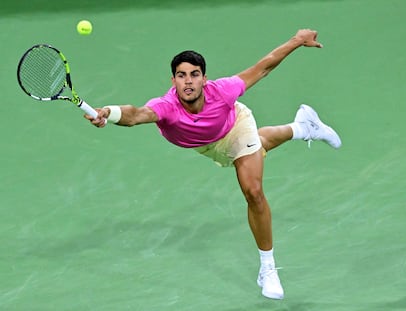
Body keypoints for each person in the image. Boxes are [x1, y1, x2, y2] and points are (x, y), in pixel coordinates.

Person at [86, 29, 341, 300]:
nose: (188, 81)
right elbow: (136, 114)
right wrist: (110, 114)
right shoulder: (166, 106)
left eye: (194, 74)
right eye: (181, 75)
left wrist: (297, 40)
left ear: (204, 79)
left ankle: (268, 268)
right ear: (173, 80)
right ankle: (303, 126)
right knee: (259, 144)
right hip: (207, 146)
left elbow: (264, 67)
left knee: (252, 190)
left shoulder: (223, 91)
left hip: (236, 125)